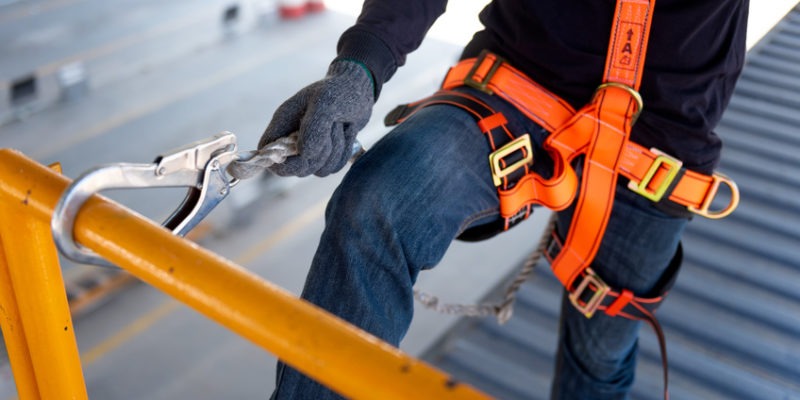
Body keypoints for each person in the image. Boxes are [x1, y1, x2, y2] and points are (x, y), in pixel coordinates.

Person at [257, 0, 749, 399]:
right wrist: (360, 66)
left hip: (658, 144)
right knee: (376, 205)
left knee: (599, 360)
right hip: (518, 83)